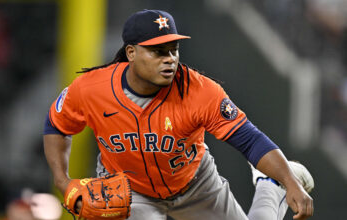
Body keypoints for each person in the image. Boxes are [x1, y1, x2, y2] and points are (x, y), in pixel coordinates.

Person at [43, 9, 314, 220]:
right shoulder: (91, 89)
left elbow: (250, 140)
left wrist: (289, 181)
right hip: (131, 192)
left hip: (196, 184)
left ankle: (270, 185)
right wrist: (61, 179)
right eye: (158, 51)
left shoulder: (199, 91)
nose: (170, 58)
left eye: (173, 49)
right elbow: (56, 124)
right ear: (131, 53)